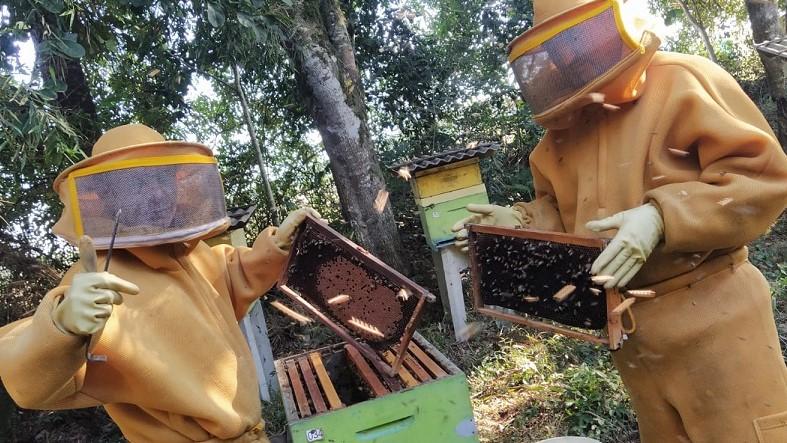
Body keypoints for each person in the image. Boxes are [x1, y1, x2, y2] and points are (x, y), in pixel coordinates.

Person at [453, 1, 787, 441]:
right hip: (632, 338)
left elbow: (762, 177)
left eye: (576, 38)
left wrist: (661, 217)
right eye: (557, 47)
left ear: (612, 24)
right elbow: (562, 213)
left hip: (719, 323)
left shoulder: (684, 80)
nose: (569, 56)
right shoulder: (561, 136)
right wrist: (514, 222)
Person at [0, 124, 318, 442]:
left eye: (162, 179)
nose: (157, 194)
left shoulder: (191, 254)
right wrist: (63, 328)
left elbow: (232, 276)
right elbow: (27, 383)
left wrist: (277, 245)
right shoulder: (95, 276)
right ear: (108, 196)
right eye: (137, 183)